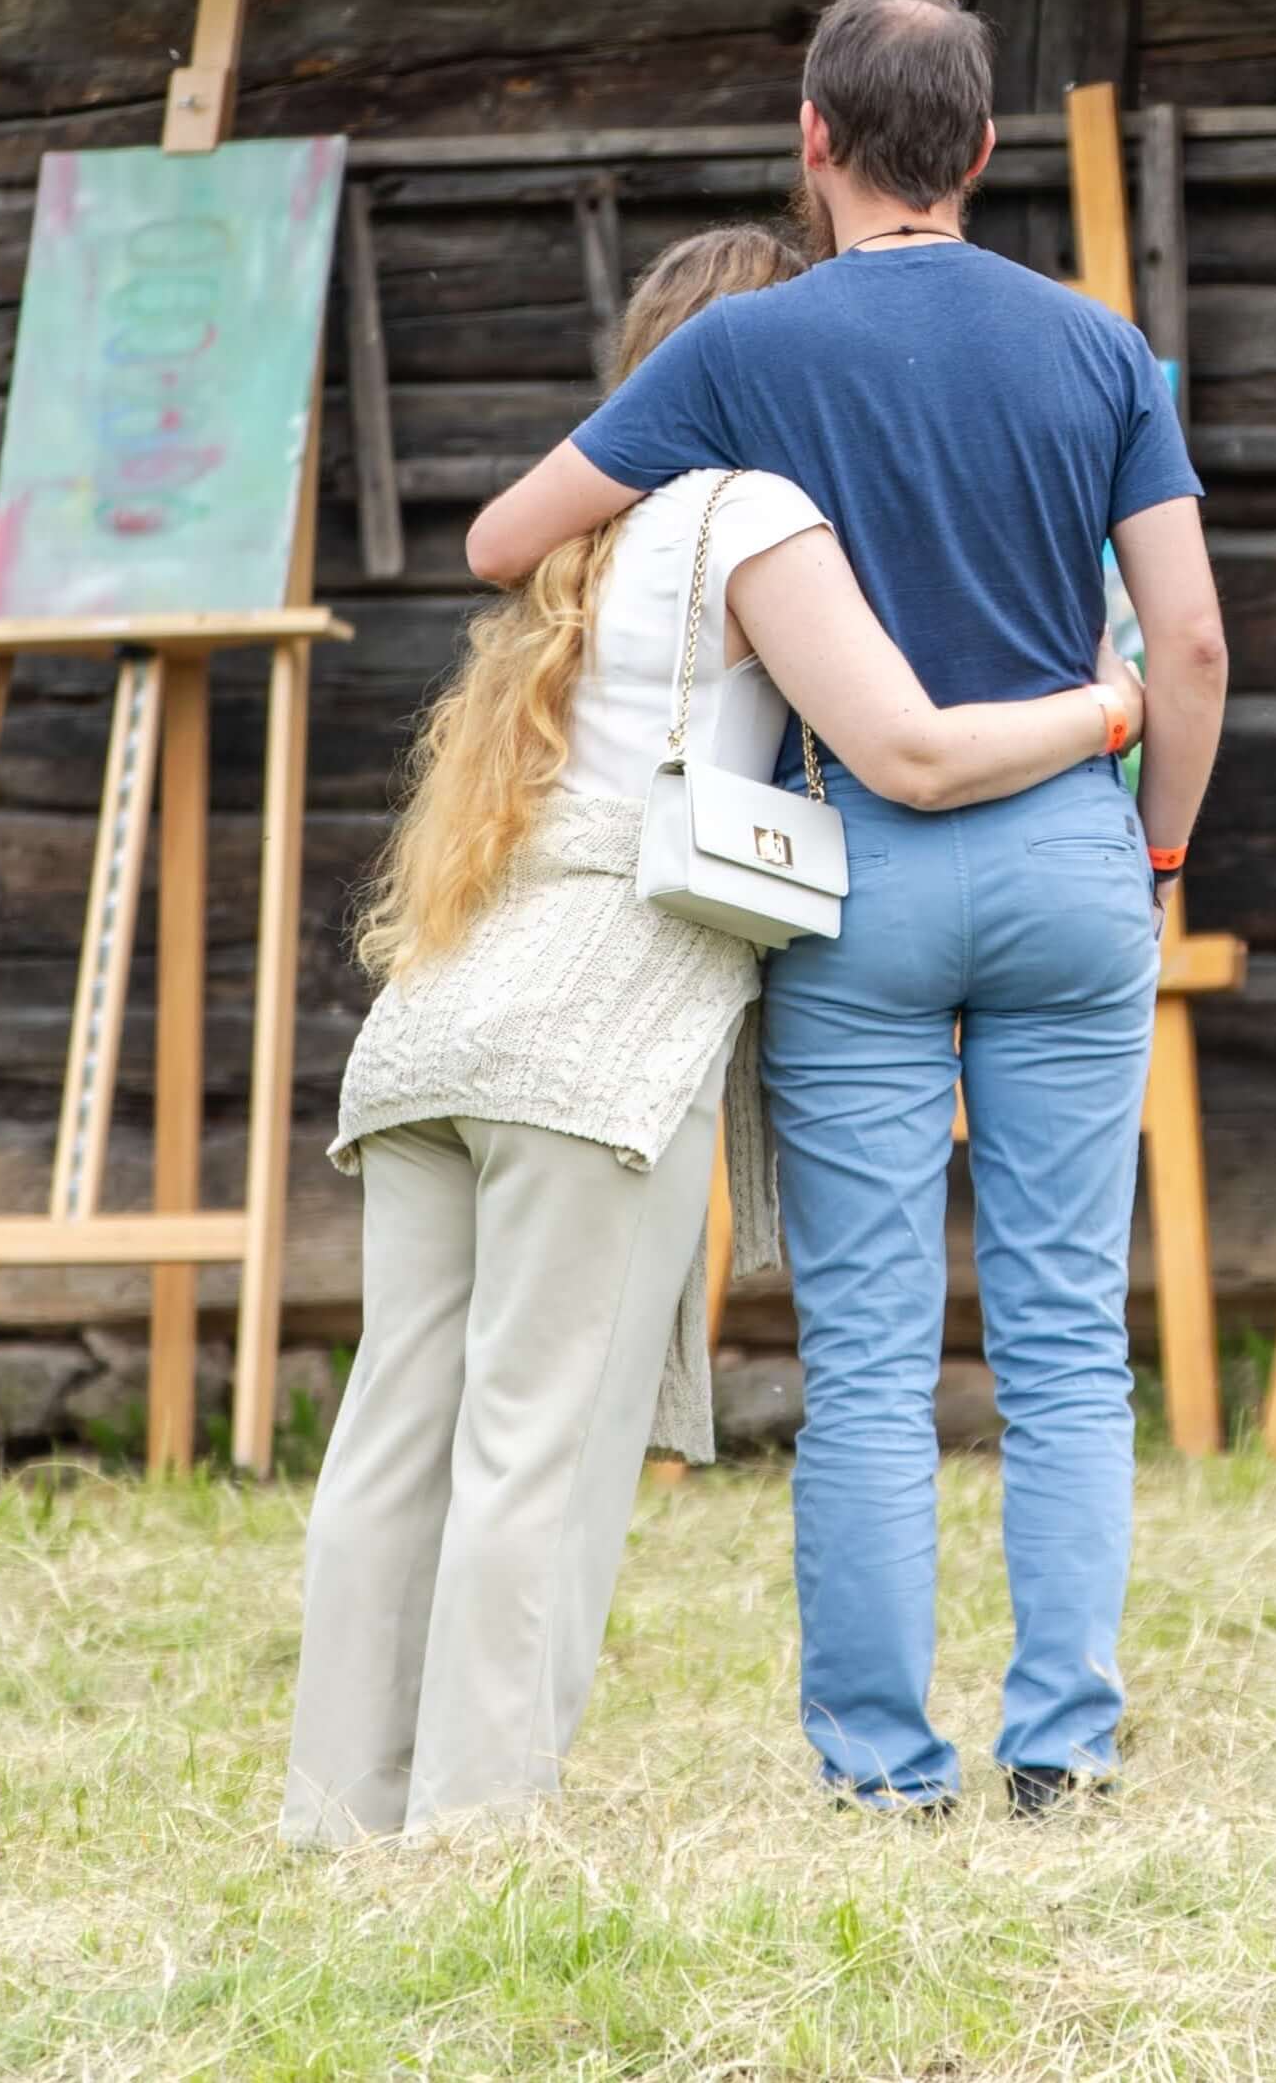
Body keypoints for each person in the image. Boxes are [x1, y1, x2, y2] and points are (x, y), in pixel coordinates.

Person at [283, 221, 1146, 1847]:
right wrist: (1110, 711)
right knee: (541, 1438)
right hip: (600, 1038)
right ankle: (478, 1829)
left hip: (439, 1014)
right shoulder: (753, 516)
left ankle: (338, 1813)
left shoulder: (582, 542)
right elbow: (902, 747)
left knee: (395, 1429)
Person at [467, 0, 1229, 1816]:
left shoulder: (743, 355)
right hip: (1070, 848)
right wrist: (1159, 852)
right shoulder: (1100, 347)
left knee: (870, 1357)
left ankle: (884, 1773)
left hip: (851, 875)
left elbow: (504, 541)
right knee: (1061, 1333)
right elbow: (1189, 641)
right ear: (977, 150)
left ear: (814, 143)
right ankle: (1064, 1747)